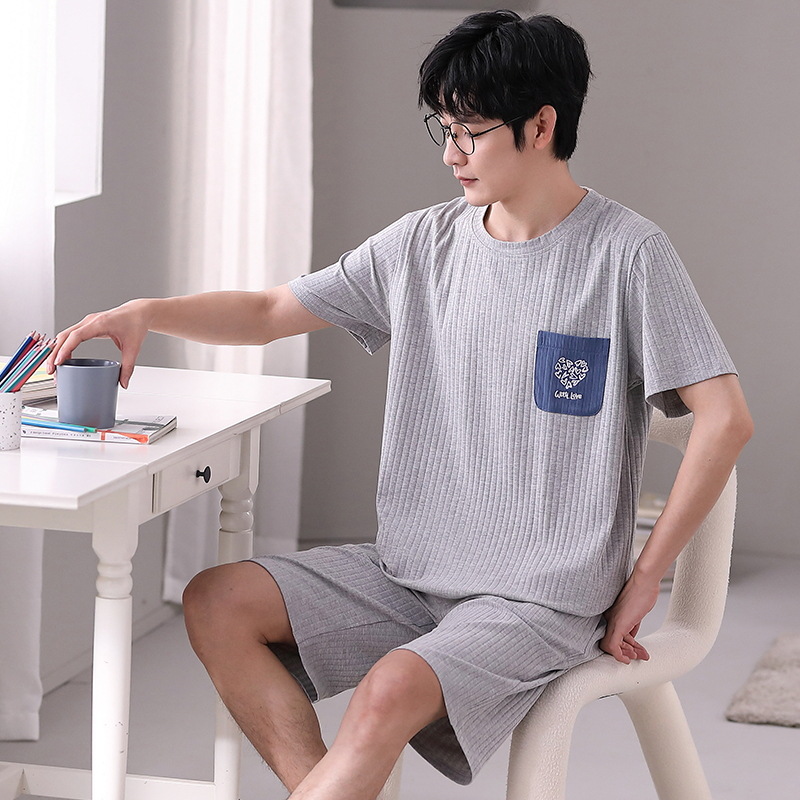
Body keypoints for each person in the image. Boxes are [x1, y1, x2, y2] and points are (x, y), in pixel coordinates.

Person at [47, 11, 753, 800]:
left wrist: (646, 577)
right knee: (217, 601)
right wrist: (147, 311)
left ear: (541, 125)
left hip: (541, 596)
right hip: (410, 571)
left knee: (386, 691)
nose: (451, 154)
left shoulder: (628, 255)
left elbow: (726, 419)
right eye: (444, 130)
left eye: (471, 131)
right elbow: (269, 311)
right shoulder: (422, 244)